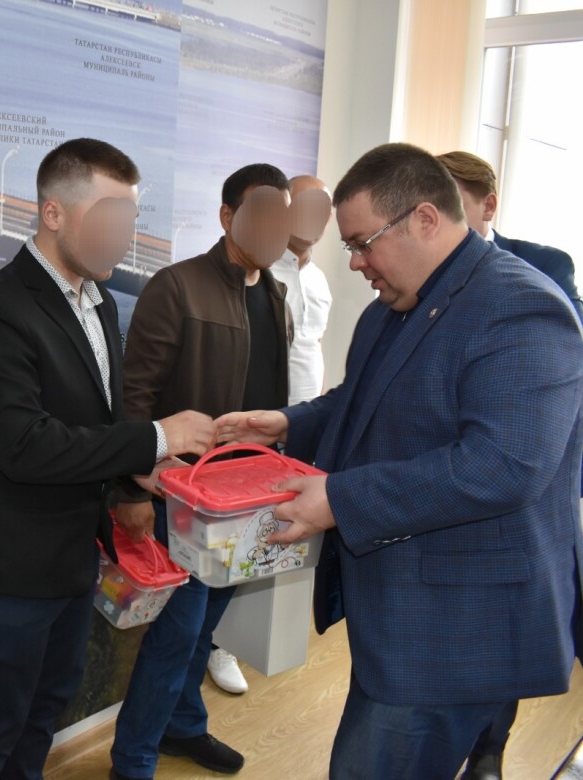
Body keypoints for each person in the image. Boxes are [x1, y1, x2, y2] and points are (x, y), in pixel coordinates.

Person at [217, 143, 583, 780]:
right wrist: (289, 423)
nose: (355, 262)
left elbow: (501, 466)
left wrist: (338, 500)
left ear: (424, 219)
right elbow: (362, 401)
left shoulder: (520, 308)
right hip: (401, 608)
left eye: (363, 244)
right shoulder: (399, 303)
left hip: (456, 625)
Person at [0, 138, 210, 780]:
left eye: (130, 218)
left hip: (74, 560)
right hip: (10, 571)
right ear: (53, 213)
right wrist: (156, 438)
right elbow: (25, 447)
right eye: (109, 217)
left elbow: (93, 422)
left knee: (44, 712)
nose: (123, 237)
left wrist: (138, 474)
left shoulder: (99, 300)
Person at [110, 163, 294, 779]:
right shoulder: (177, 287)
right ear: (227, 216)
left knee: (207, 625)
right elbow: (134, 397)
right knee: (177, 632)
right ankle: (133, 759)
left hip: (245, 498)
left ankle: (183, 726)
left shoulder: (277, 294)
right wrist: (129, 488)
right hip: (180, 498)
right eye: (260, 213)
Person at [435, 151, 583, 780]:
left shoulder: (543, 268)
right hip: (443, 485)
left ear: (487, 205)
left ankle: (490, 752)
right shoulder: (416, 277)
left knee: (505, 633)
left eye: (449, 201)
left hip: (521, 486)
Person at [437, 150, 582, 323]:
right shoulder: (415, 268)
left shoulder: (546, 265)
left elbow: (573, 335)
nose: (433, 220)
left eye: (448, 206)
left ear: (488, 207)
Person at [269, 174, 334, 404]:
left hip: (308, 415)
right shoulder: (259, 271)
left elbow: (316, 344)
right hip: (261, 414)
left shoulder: (319, 279)